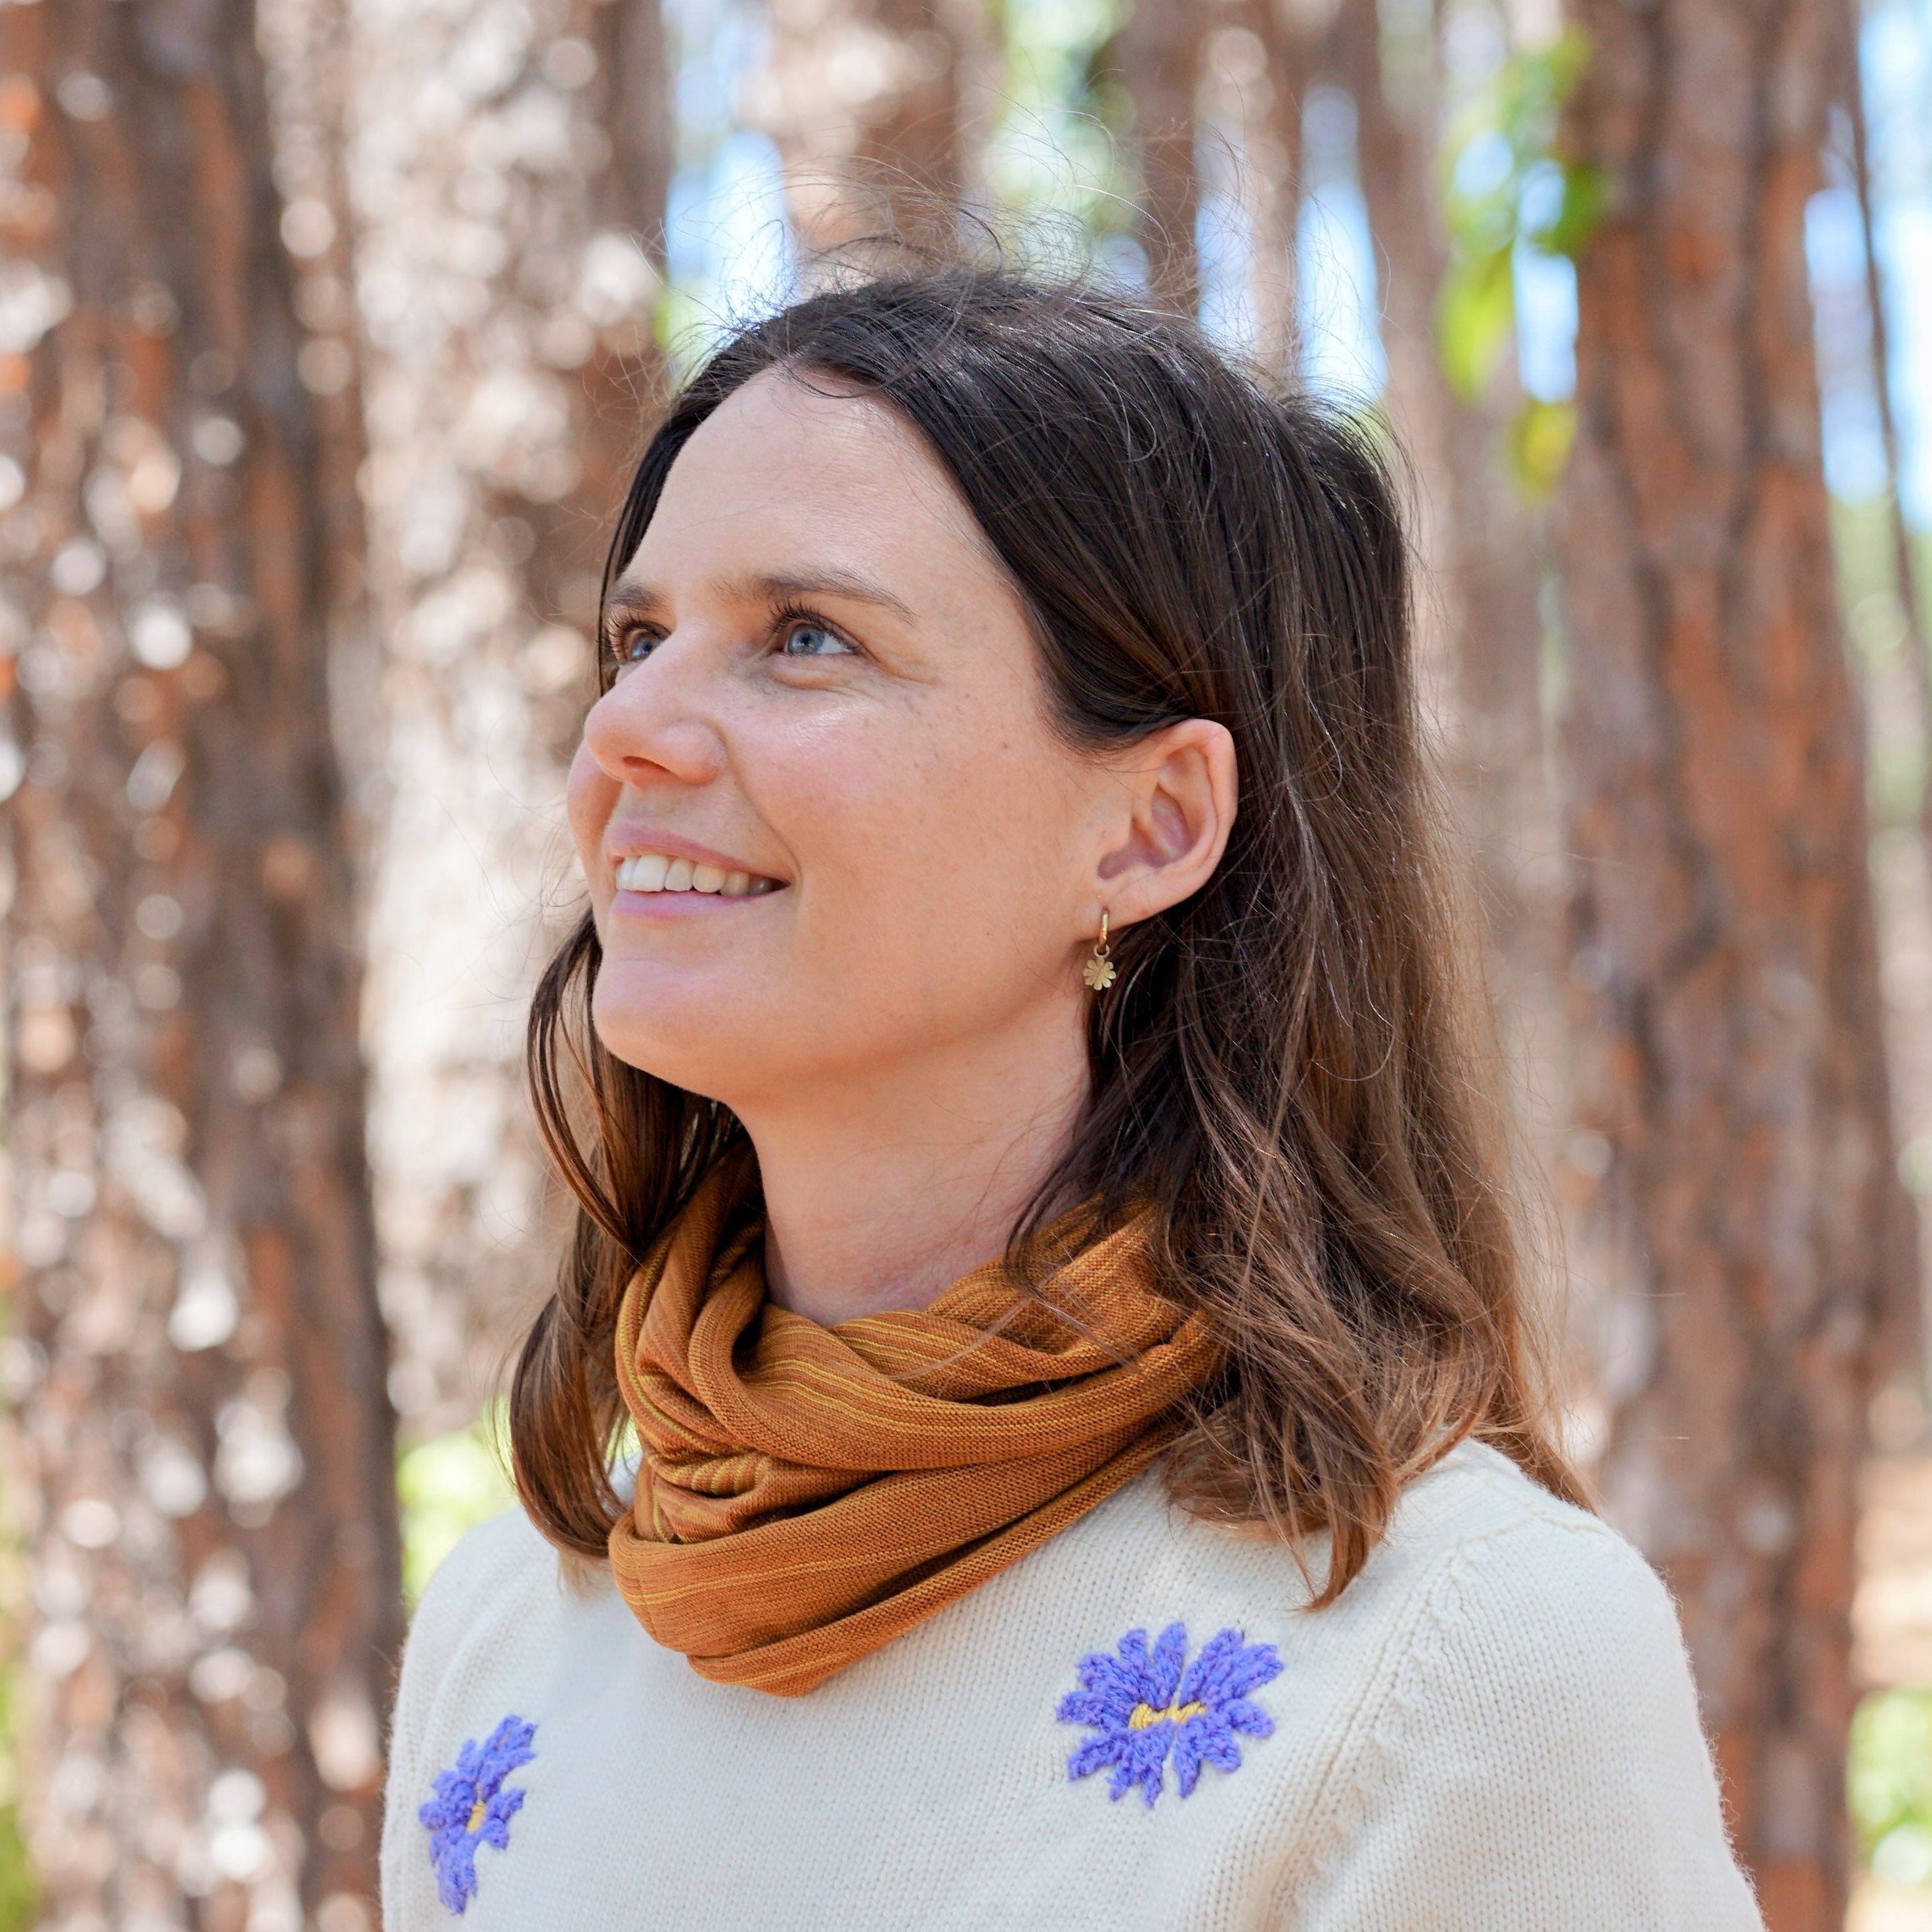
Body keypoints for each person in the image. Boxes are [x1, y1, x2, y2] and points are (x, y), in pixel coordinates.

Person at [381, 268, 1764, 1930]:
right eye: (639, 636)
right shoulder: (513, 1631)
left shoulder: (1457, 1652)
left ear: (1149, 827)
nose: (626, 732)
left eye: (804, 638)